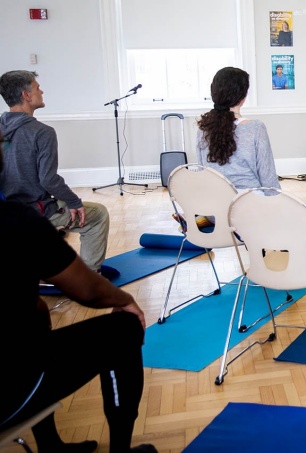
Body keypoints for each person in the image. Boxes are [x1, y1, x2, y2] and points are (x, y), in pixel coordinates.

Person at [0, 132, 156, 453]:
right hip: (9, 390)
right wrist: (124, 299)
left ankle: (51, 445)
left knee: (39, 315)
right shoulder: (15, 222)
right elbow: (87, 291)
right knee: (123, 329)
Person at [0, 70, 112, 276]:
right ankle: (90, 276)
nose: (41, 91)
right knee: (97, 215)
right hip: (34, 212)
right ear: (26, 95)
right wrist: (74, 201)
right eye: (37, 87)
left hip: (6, 214)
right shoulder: (42, 132)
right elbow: (48, 180)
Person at [196, 67, 280, 191]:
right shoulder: (256, 128)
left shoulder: (203, 129)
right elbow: (268, 178)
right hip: (249, 202)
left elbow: (202, 172)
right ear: (243, 97)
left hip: (215, 202)